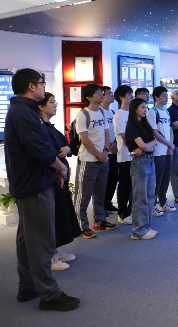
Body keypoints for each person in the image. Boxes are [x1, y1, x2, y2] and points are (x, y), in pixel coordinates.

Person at [4, 68, 80, 311]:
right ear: (31, 86)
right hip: (34, 185)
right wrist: (61, 167)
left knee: (28, 238)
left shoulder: (23, 111)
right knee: (41, 241)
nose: (43, 87)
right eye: (41, 83)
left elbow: (41, 146)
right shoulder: (23, 113)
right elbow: (39, 148)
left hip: (32, 182)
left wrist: (55, 168)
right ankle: (49, 294)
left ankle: (28, 286)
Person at [38, 92, 82, 271]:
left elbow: (68, 145)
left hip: (60, 179)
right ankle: (49, 256)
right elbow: (45, 153)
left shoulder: (51, 128)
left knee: (60, 215)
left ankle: (54, 250)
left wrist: (67, 148)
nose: (55, 105)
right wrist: (60, 169)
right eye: (51, 102)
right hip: (51, 178)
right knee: (50, 218)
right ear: (41, 106)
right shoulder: (39, 128)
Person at [73, 83, 117, 239]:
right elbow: (84, 139)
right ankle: (81, 226)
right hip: (88, 160)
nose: (101, 94)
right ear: (89, 97)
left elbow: (106, 133)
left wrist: (104, 151)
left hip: (103, 159)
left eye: (101, 92)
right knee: (82, 195)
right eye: (97, 92)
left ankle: (100, 221)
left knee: (100, 192)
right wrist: (98, 154)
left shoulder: (102, 112)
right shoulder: (83, 114)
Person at [125, 98, 159, 240]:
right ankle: (138, 231)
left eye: (146, 107)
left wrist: (146, 147)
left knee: (150, 196)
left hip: (149, 160)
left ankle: (146, 227)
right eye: (142, 107)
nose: (145, 110)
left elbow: (155, 141)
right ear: (135, 109)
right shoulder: (131, 125)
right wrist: (146, 147)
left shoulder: (145, 124)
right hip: (140, 163)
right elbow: (142, 145)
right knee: (140, 198)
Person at [146, 86, 177, 215]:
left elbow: (170, 129)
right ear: (156, 97)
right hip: (158, 151)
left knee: (166, 177)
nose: (166, 98)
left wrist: (171, 145)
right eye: (164, 95)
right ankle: (152, 205)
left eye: (166, 95)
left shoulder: (166, 112)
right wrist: (169, 144)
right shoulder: (152, 112)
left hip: (167, 150)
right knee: (156, 179)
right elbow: (154, 133)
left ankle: (163, 202)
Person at [113, 85, 134, 225]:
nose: (132, 97)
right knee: (125, 185)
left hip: (136, 155)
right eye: (129, 95)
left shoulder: (133, 113)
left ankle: (131, 211)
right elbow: (124, 137)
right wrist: (139, 146)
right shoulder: (119, 115)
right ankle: (122, 213)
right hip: (125, 155)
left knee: (133, 186)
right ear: (121, 97)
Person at [100, 85, 118, 213]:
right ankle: (101, 205)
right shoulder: (98, 112)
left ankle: (108, 202)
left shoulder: (112, 112)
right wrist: (108, 145)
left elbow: (117, 130)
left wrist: (115, 142)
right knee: (103, 179)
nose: (112, 95)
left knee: (113, 177)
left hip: (114, 150)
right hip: (103, 151)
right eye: (109, 93)